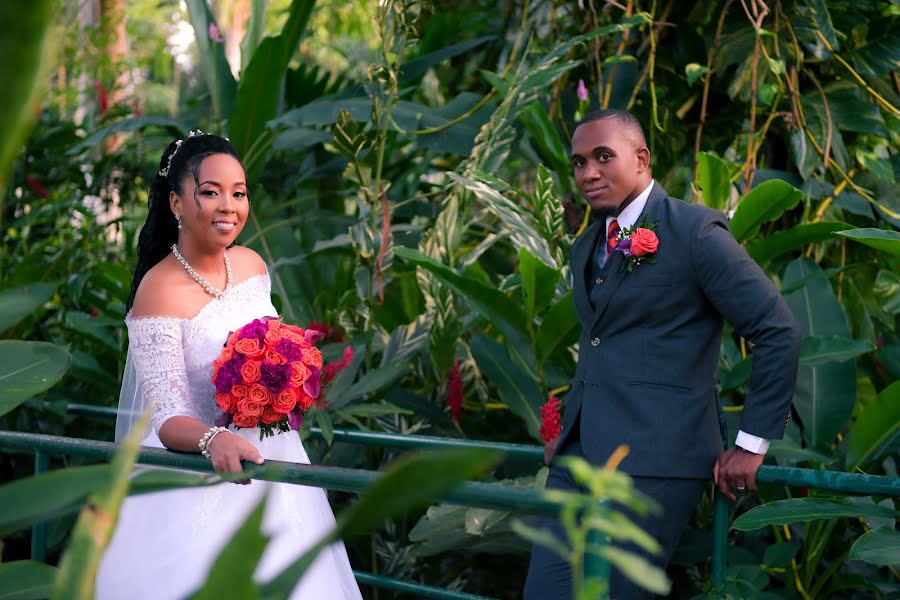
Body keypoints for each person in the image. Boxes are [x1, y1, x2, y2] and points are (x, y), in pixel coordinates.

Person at [523, 110, 802, 599]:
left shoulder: (695, 234)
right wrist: (574, 428)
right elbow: (603, 346)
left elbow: (777, 330)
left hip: (655, 464)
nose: (588, 173)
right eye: (579, 162)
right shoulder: (588, 243)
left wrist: (751, 443)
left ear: (641, 158)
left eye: (603, 157)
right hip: (577, 461)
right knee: (544, 592)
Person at [96, 132, 362, 599]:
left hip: (279, 465)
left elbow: (277, 346)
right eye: (210, 192)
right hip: (202, 476)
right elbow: (167, 417)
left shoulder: (253, 265)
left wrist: (289, 380)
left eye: (238, 193)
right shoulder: (158, 291)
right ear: (177, 202)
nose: (229, 206)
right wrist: (211, 436)